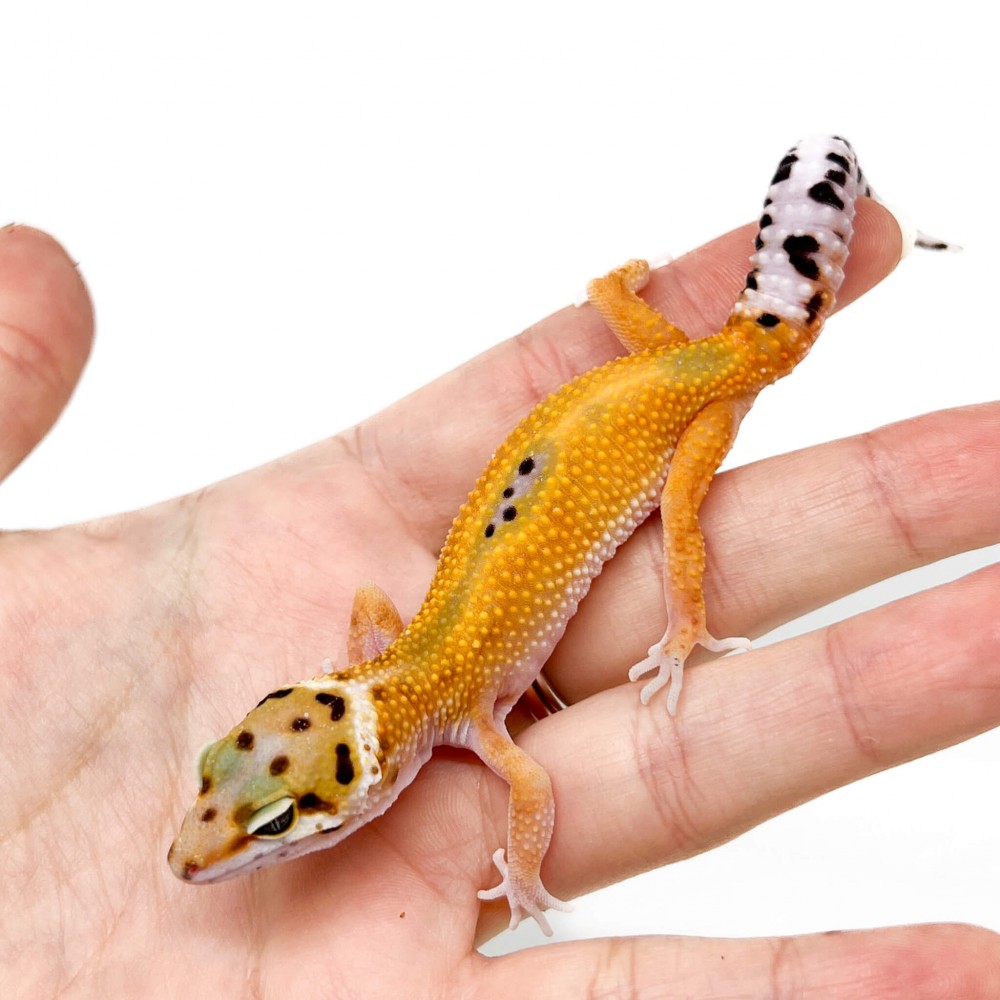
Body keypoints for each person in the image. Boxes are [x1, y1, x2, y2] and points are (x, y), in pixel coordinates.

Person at [2, 213, 998, 998]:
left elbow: (534, 793)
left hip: (675, 412)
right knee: (706, 372)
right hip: (639, 380)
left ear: (371, 773)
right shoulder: (414, 675)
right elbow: (375, 618)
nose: (221, 844)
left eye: (269, 823)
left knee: (683, 520)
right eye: (252, 808)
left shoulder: (458, 706)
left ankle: (689, 621)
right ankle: (636, 298)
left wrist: (526, 875)